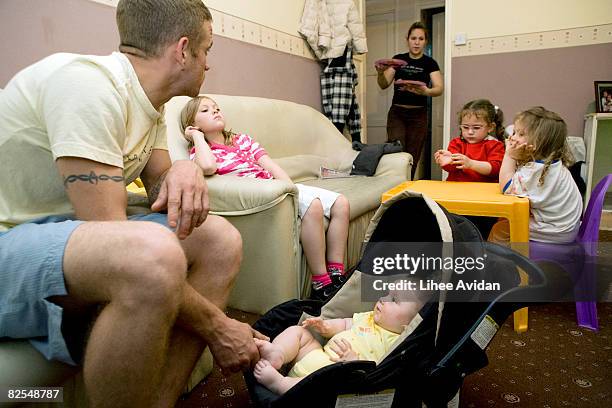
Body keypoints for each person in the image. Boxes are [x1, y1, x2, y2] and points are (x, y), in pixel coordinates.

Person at [0, 1, 267, 406]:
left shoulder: (150, 105)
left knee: (220, 239)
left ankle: (160, 401)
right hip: (11, 241)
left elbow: (159, 177)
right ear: (182, 50)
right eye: (207, 50)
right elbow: (116, 238)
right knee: (150, 253)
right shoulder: (86, 85)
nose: (208, 64)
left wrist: (183, 170)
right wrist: (219, 326)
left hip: (68, 239)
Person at [180, 96, 351, 300]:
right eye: (205, 111)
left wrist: (291, 190)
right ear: (193, 124)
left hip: (279, 187)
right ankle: (321, 282)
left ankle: (336, 272)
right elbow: (208, 167)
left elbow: (269, 165)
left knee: (341, 203)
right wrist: (197, 138)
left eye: (216, 108)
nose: (215, 111)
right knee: (313, 206)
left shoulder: (242, 140)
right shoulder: (201, 151)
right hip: (262, 196)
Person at [252, 287, 429, 395]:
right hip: (318, 355)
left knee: (321, 389)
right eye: (387, 293)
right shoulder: (369, 317)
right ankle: (278, 354)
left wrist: (354, 362)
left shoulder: (396, 342)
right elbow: (345, 323)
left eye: (394, 300)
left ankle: (280, 384)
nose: (383, 298)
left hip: (333, 376)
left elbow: (380, 372)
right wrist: (325, 327)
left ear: (409, 324)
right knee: (299, 333)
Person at [489, 107, 583, 244]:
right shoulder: (550, 163)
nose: (512, 137)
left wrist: (509, 155)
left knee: (499, 229)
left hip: (556, 231)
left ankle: (498, 262)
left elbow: (506, 186)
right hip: (563, 227)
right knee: (505, 217)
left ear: (539, 143)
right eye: (514, 132)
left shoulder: (536, 170)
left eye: (520, 134)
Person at [376, 21, 444, 179]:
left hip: (418, 115)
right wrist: (380, 73)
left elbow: (439, 88)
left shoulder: (430, 63)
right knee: (396, 151)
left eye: (421, 39)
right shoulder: (397, 60)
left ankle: (407, 187)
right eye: (413, 38)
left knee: (413, 155)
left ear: (425, 41)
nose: (417, 42)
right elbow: (384, 84)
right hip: (397, 113)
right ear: (407, 39)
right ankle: (392, 185)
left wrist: (426, 91)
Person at [434, 99, 505, 183]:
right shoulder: (456, 143)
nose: (470, 132)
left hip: (484, 191)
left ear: (490, 127)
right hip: (457, 190)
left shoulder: (495, 145)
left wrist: (471, 164)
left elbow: (496, 170)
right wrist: (448, 161)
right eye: (465, 127)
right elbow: (451, 169)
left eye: (476, 128)